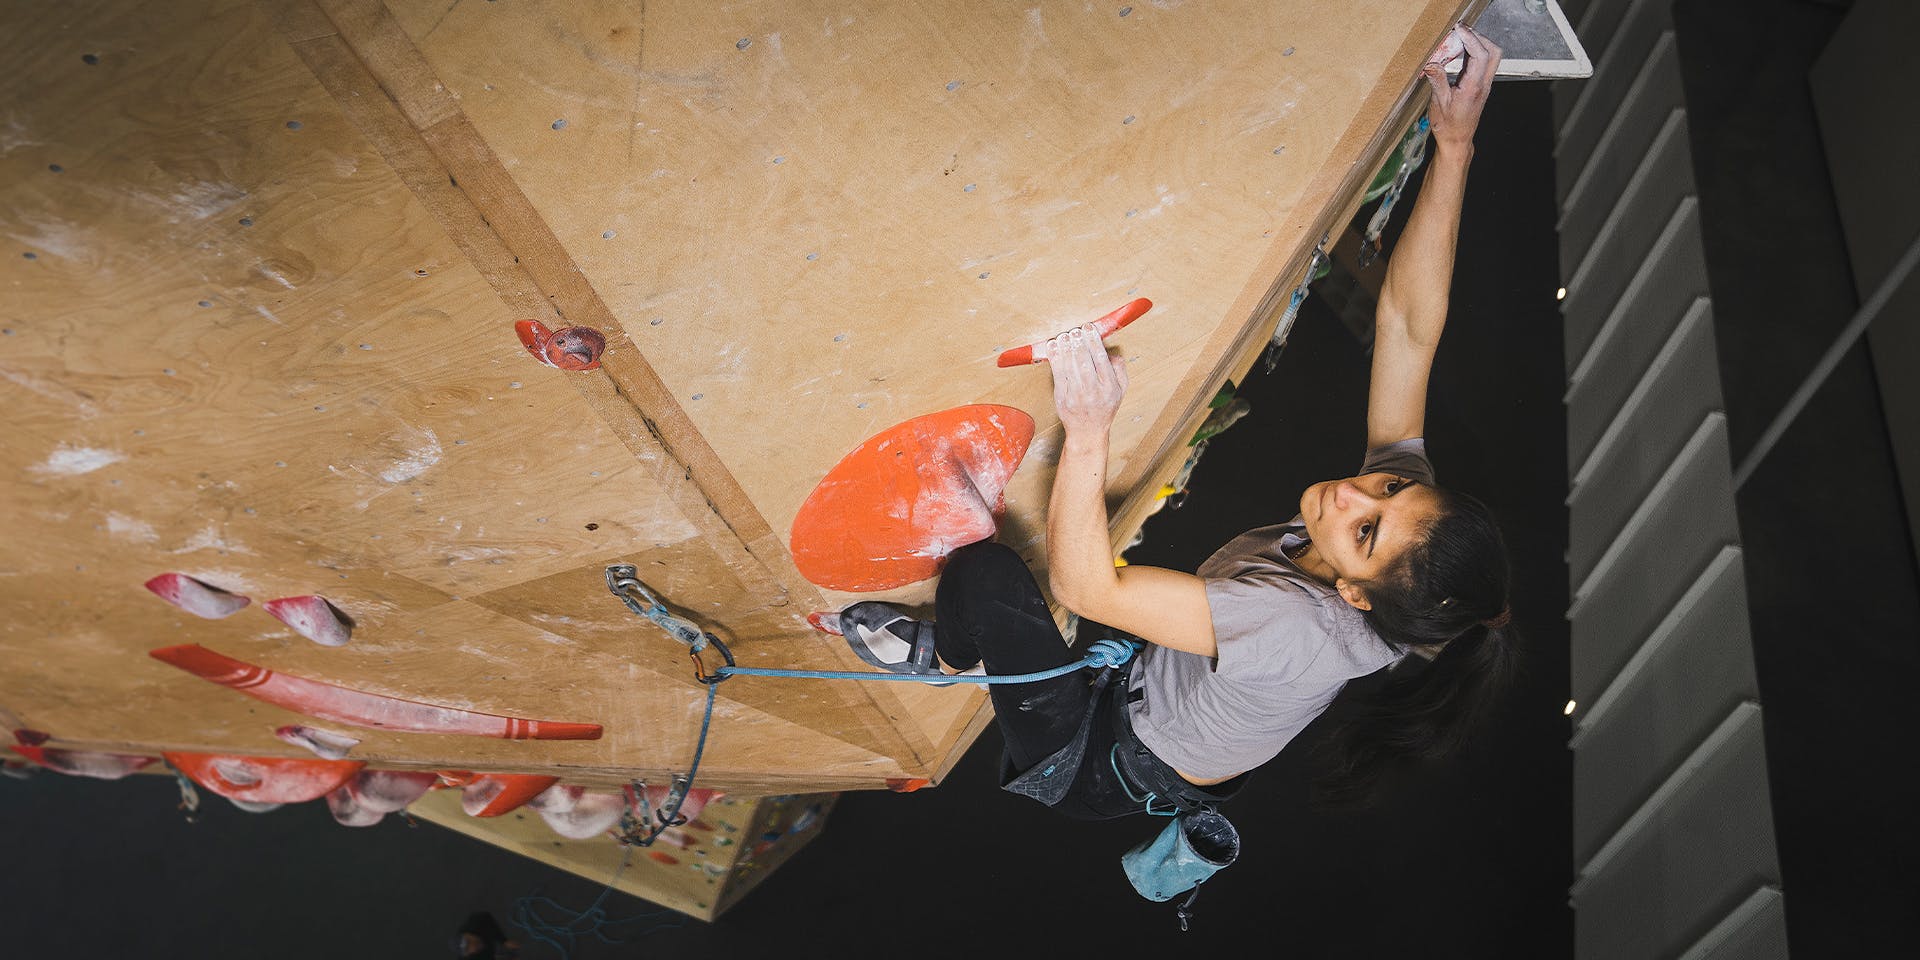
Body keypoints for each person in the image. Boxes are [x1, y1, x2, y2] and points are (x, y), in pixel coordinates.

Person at [829, 25, 1514, 817]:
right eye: (1391, 487)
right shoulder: (1400, 551)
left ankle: (942, 654)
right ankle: (997, 652)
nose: (1354, 495)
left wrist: (1089, 429)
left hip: (1097, 759)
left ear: (1358, 598)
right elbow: (1407, 329)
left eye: (1366, 532)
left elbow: (1084, 587)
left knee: (988, 578)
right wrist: (1455, 144)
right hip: (1158, 693)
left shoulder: (1294, 628)